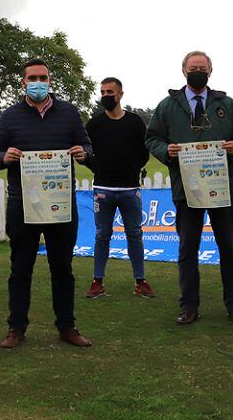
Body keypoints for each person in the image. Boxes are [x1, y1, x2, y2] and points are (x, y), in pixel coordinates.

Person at [0, 59, 94, 349]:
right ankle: (16, 328)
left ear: (50, 80)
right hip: (22, 204)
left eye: (43, 77)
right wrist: (4, 157)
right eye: (32, 78)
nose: (38, 82)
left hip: (60, 203)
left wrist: (82, 152)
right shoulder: (9, 116)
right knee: (20, 268)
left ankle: (67, 327)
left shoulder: (70, 114)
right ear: (23, 83)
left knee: (62, 268)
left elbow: (87, 147)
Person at [146, 51, 233, 326]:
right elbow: (152, 138)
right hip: (186, 188)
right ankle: (189, 306)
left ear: (211, 71)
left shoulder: (227, 104)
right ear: (184, 71)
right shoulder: (167, 105)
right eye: (193, 68)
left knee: (229, 248)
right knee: (187, 248)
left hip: (222, 187)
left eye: (202, 68)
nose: (198, 71)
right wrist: (165, 151)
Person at [84, 77, 153, 299]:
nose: (106, 96)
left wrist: (131, 168)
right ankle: (97, 282)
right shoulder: (94, 124)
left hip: (130, 190)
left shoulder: (135, 122)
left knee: (135, 234)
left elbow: (144, 153)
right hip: (102, 189)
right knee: (102, 235)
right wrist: (96, 166)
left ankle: (140, 281)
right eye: (102, 92)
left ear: (121, 94)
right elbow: (87, 153)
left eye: (110, 92)